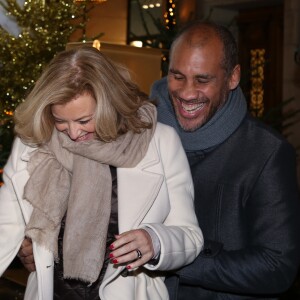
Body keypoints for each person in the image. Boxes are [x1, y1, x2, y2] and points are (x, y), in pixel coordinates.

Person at [0, 46, 203, 300]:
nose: (73, 133)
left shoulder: (160, 142)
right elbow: (4, 226)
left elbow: (190, 236)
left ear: (110, 104)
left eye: (85, 120)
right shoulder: (33, 144)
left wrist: (155, 240)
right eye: (60, 120)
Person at [150, 21, 300, 299]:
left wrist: (171, 253)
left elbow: (277, 266)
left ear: (232, 77)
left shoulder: (266, 152)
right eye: (177, 76)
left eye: (203, 80)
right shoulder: (138, 138)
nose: (186, 92)